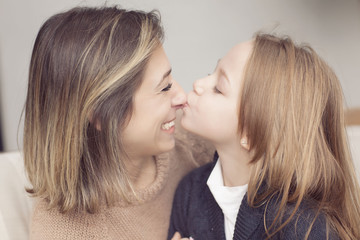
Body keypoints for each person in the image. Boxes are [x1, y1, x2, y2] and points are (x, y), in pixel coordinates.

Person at [23, 6, 214, 239]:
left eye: (171, 81)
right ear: (102, 115)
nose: (182, 97)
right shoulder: (61, 231)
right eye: (164, 88)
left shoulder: (197, 136)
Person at [168, 33, 360, 240]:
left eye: (218, 89)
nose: (198, 83)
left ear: (252, 134)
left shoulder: (304, 227)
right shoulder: (190, 192)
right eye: (210, 72)